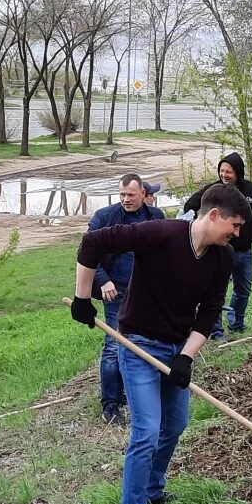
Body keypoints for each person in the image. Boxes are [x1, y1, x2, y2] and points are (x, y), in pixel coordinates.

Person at [72, 182, 252, 504]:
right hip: (137, 343)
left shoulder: (222, 258)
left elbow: (210, 314)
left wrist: (187, 355)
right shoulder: (161, 232)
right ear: (213, 215)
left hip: (175, 348)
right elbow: (93, 243)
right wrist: (82, 298)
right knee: (147, 431)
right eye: (234, 225)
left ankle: (154, 487)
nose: (236, 234)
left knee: (176, 423)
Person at [84, 174, 164, 425]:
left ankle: (137, 393)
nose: (126, 200)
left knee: (144, 343)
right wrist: (102, 280)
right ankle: (110, 404)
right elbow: (86, 252)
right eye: (122, 195)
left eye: (130, 195)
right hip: (115, 290)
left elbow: (164, 251)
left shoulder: (156, 217)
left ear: (143, 193)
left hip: (146, 290)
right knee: (114, 345)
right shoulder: (105, 217)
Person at [182, 152, 252, 336]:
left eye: (228, 172)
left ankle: (236, 323)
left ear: (238, 173)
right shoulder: (214, 191)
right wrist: (199, 225)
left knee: (244, 289)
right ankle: (215, 331)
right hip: (219, 250)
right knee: (217, 292)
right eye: (221, 171)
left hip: (244, 251)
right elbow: (190, 205)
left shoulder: (251, 190)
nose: (224, 175)